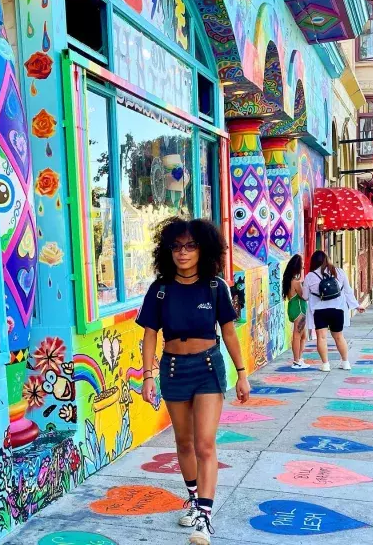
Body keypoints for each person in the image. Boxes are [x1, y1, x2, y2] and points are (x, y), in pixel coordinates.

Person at [138, 218, 250, 545]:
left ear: (203, 249)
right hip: (172, 368)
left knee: (204, 444)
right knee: (183, 443)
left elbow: (228, 332)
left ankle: (204, 516)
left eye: (190, 245)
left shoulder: (215, 287)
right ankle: (192, 497)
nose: (182, 252)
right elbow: (149, 336)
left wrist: (242, 374)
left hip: (208, 367)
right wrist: (148, 377)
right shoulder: (160, 289)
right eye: (176, 246)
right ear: (166, 250)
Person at [303, 250, 364, 372]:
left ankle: (325, 365)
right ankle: (345, 362)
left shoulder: (310, 277)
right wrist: (357, 305)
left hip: (320, 311)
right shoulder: (339, 272)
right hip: (337, 310)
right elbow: (348, 291)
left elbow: (305, 297)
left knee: (321, 337)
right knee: (339, 337)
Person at [282, 254, 310, 369]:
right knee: (297, 336)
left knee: (303, 336)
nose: (303, 267)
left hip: (293, 308)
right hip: (299, 310)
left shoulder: (288, 280)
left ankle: (299, 358)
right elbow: (304, 296)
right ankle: (296, 360)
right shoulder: (296, 282)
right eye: (302, 265)